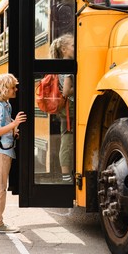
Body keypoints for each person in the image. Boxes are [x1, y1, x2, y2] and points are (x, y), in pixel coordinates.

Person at [0, 73, 27, 233]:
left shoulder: (5, 105)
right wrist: (15, 123)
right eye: (12, 87)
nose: (16, 89)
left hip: (4, 150)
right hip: (0, 152)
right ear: (4, 89)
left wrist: (13, 131)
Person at [49, 33, 74, 183]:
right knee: (67, 139)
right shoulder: (68, 66)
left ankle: (66, 173)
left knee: (67, 138)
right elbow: (66, 92)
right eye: (73, 46)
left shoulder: (62, 64)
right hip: (69, 107)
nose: (75, 48)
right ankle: (66, 175)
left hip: (65, 109)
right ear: (64, 49)